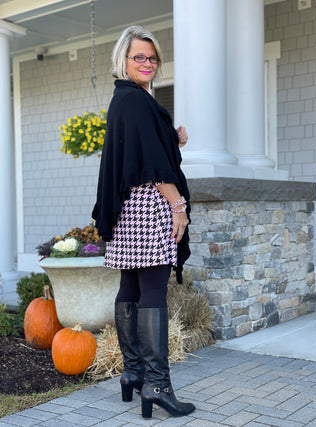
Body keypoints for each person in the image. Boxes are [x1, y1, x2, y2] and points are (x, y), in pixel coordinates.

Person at [92, 25, 195, 419]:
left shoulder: (126, 99)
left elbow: (145, 146)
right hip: (149, 204)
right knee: (153, 288)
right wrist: (178, 207)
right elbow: (153, 165)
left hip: (126, 209)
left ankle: (133, 373)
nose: (147, 63)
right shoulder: (136, 101)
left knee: (131, 286)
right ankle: (158, 384)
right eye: (140, 57)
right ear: (124, 59)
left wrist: (173, 137)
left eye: (152, 58)